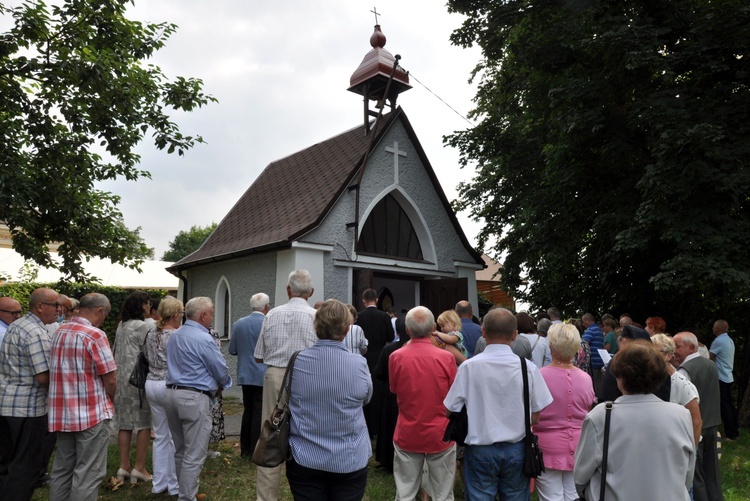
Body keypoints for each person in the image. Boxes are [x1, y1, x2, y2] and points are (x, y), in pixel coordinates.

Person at [444, 307, 553, 500]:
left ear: (483, 332)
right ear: (514, 335)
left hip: (480, 448)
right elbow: (536, 415)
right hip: (517, 447)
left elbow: (450, 408)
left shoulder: (469, 367)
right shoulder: (528, 368)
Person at [574, 341, 695, 500]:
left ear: (619, 377)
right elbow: (687, 472)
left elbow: (580, 475)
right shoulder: (681, 415)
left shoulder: (601, 415)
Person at [286, 299, 372, 500]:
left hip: (305, 455)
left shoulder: (297, 360)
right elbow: (366, 399)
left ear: (316, 326)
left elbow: (289, 396)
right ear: (346, 329)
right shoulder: (359, 363)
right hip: (348, 457)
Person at [253, 270, 317, 501]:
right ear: (311, 292)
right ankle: (307, 492)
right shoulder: (315, 316)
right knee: (306, 432)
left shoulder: (272, 315)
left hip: (276, 375)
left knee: (270, 434)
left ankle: (266, 498)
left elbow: (259, 355)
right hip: (306, 375)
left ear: (288, 290)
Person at [47, 293, 116, 501]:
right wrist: (112, 399)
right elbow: (110, 378)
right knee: (88, 473)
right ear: (99, 311)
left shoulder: (60, 330)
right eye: (105, 315)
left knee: (62, 469)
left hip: (63, 412)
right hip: (90, 413)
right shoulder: (95, 335)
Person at [165, 296, 231, 501]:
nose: (212, 317)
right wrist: (223, 385)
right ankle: (186, 496)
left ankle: (182, 490)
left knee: (181, 449)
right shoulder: (203, 338)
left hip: (171, 393)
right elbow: (220, 369)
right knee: (194, 452)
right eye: (211, 313)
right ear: (203, 315)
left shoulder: (176, 335)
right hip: (194, 397)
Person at [390, 306, 457, 500]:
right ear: (433, 327)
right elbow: (453, 395)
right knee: (443, 493)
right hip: (440, 432)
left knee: (405, 491)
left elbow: (394, 389)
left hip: (408, 431)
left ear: (408, 330)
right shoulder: (446, 357)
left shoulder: (396, 357)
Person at [0, 288, 58, 500]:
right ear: (40, 306)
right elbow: (43, 377)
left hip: (7, 404)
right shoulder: (35, 333)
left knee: (7, 464)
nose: (58, 310)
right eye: (55, 305)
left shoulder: (16, 325)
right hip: (28, 409)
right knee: (25, 468)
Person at [534, 323, 595, 501]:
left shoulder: (540, 375)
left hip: (546, 447)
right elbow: (588, 408)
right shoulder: (586, 378)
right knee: (573, 496)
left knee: (551, 497)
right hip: (578, 446)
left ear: (551, 347)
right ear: (576, 348)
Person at [674, 332, 722, 501]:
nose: (674, 351)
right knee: (712, 472)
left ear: (692, 347)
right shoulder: (710, 365)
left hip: (696, 426)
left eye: (678, 347)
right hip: (712, 422)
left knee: (696, 474)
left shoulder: (684, 371)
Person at [144, 296, 183, 496]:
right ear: (175, 314)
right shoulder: (177, 335)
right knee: (175, 437)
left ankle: (159, 483)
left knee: (160, 436)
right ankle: (174, 484)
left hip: (151, 382)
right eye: (181, 313)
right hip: (169, 384)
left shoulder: (151, 332)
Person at [112, 290, 152, 483]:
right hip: (138, 379)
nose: (149, 306)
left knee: (125, 424)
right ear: (142, 305)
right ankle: (139, 468)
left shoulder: (121, 325)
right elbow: (149, 352)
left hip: (120, 378)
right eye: (147, 303)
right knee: (144, 423)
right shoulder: (142, 326)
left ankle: (124, 466)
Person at [229, 292, 270, 457]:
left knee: (248, 410)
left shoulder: (239, 324)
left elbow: (232, 350)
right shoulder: (268, 323)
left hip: (245, 374)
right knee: (259, 411)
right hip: (263, 373)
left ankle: (245, 448)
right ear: (266, 307)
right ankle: (255, 449)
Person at [651, 334, 703, 446]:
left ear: (669, 356)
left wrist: (691, 454)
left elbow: (697, 422)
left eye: (655, 352)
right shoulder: (650, 380)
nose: (649, 356)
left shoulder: (681, 384)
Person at [355, 288, 394, 437]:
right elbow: (390, 337)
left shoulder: (360, 316)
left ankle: (367, 425)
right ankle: (378, 426)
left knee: (364, 390)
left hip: (364, 357)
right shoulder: (384, 316)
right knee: (379, 392)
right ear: (377, 300)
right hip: (380, 356)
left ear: (363, 301)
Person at [373, 316, 409, 472]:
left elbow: (379, 372)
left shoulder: (389, 349)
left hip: (390, 394)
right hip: (407, 394)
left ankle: (387, 458)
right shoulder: (394, 349)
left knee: (389, 425)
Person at [709, 319, 738, 441]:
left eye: (714, 326)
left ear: (718, 328)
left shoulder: (718, 341)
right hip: (728, 375)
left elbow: (709, 357)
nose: (712, 328)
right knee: (729, 405)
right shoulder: (729, 340)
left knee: (724, 405)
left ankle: (730, 434)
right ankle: (735, 429)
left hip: (720, 377)